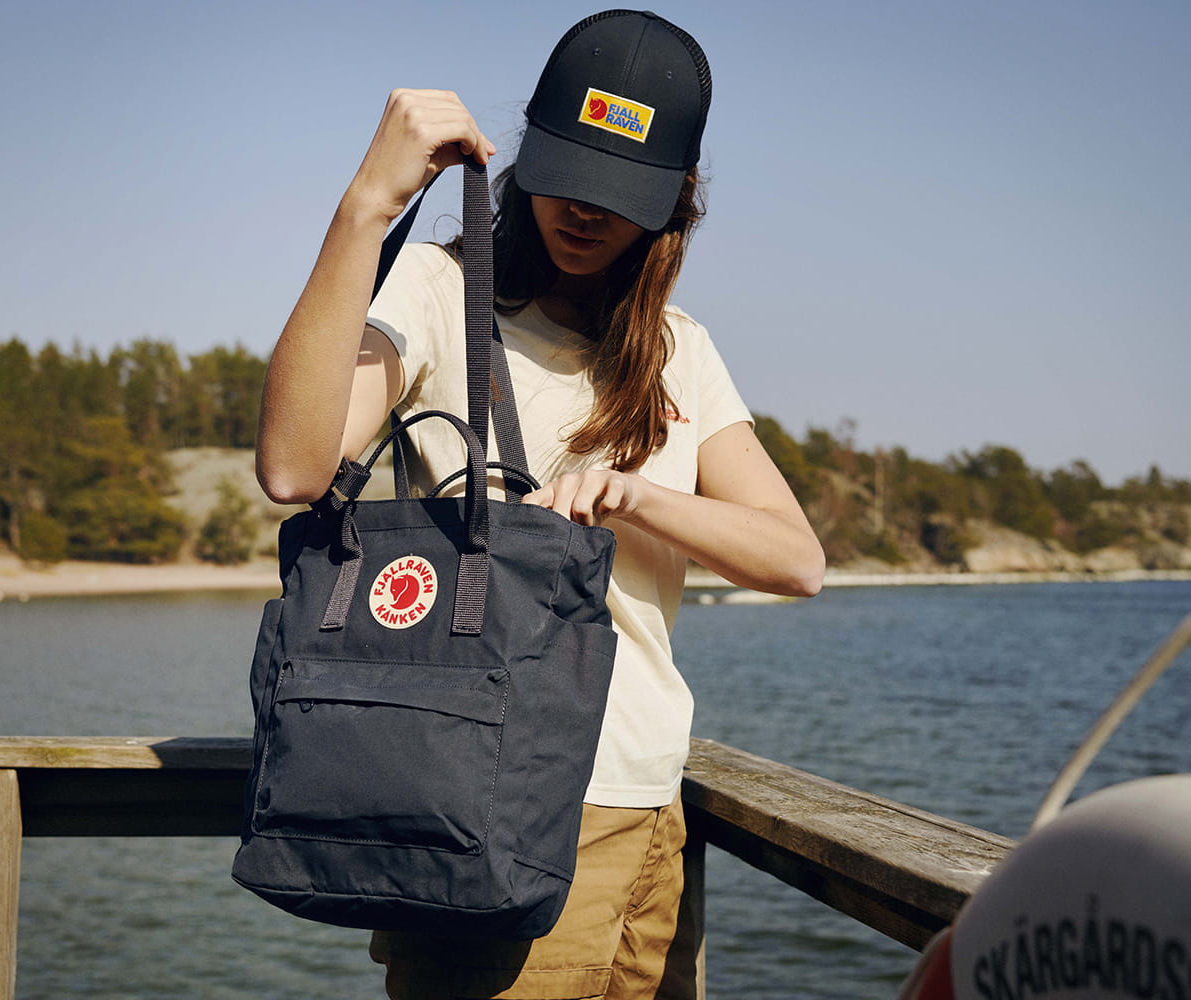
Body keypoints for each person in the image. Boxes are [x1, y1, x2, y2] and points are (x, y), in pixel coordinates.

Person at [255, 10, 825, 999]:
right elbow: (294, 469)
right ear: (528, 151)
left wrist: (638, 497)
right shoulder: (441, 290)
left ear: (673, 206)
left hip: (653, 815)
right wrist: (365, 208)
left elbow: (796, 560)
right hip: (490, 804)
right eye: (567, 175)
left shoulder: (678, 348)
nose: (584, 212)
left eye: (619, 196)